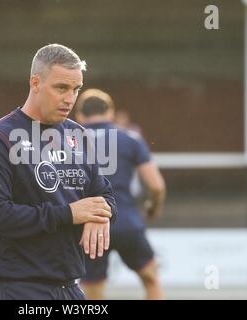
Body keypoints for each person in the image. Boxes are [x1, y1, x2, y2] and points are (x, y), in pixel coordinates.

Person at [0, 44, 117, 300]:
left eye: (76, 89)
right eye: (61, 88)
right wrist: (68, 214)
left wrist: (100, 215)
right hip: (17, 287)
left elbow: (104, 194)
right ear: (35, 82)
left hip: (70, 288)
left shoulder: (79, 135)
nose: (70, 98)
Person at [75, 89, 166, 300]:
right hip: (126, 222)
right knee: (151, 280)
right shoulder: (130, 138)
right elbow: (156, 185)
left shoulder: (68, 142)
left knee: (93, 291)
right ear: (111, 113)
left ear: (79, 116)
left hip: (90, 228)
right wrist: (153, 207)